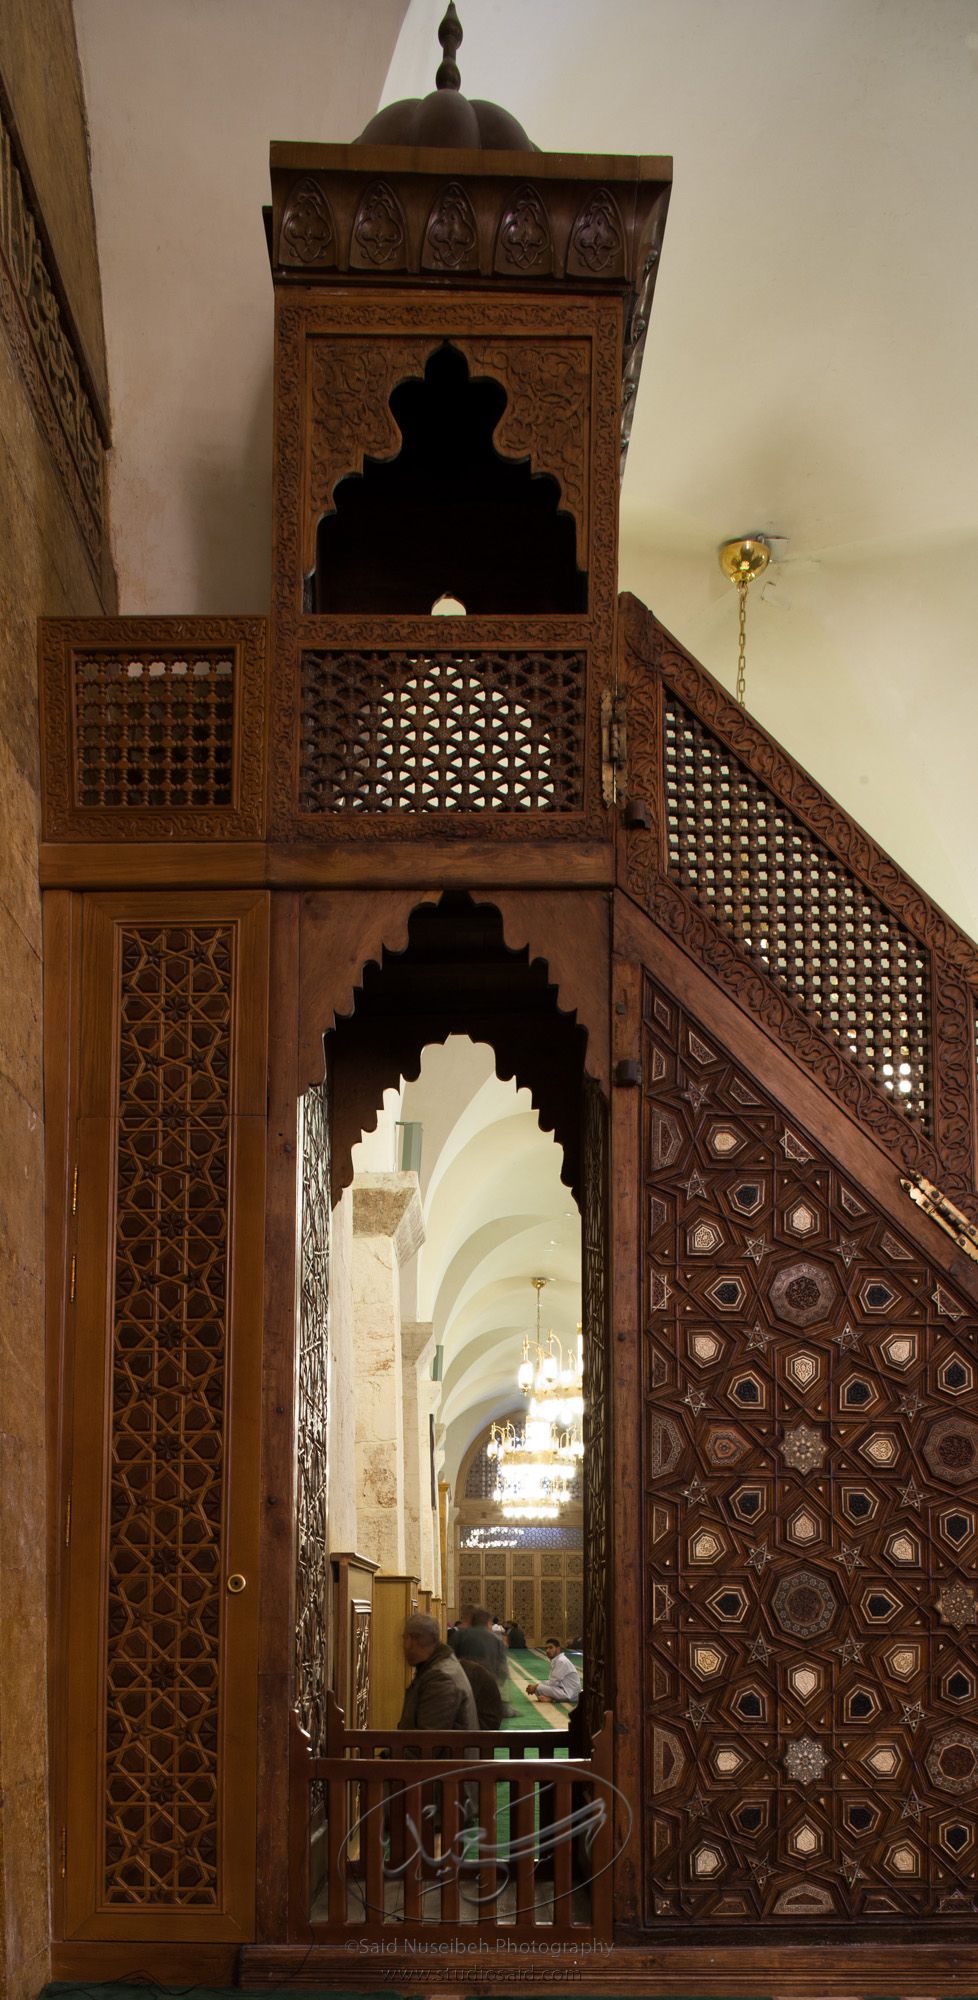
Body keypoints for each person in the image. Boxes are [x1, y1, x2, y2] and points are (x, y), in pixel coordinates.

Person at [398, 1613, 479, 1732]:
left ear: (410, 1641)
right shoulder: (436, 1666)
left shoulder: (440, 1679)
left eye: (404, 1638)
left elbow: (427, 1743)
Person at [451, 1605, 508, 1684]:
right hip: (489, 1685)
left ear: (472, 1620)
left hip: (465, 1684)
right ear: (488, 1622)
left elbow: (450, 1662)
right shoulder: (496, 1640)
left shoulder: (460, 1635)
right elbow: (503, 1671)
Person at [525, 1638, 582, 1704]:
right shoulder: (557, 1660)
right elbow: (554, 1682)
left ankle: (552, 1699)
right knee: (539, 1688)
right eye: (546, 1648)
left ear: (558, 1649)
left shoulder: (561, 1661)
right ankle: (551, 1699)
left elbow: (553, 1683)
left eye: (550, 1648)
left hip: (570, 1694)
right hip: (566, 1690)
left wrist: (535, 1686)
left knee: (539, 1688)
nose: (547, 1651)